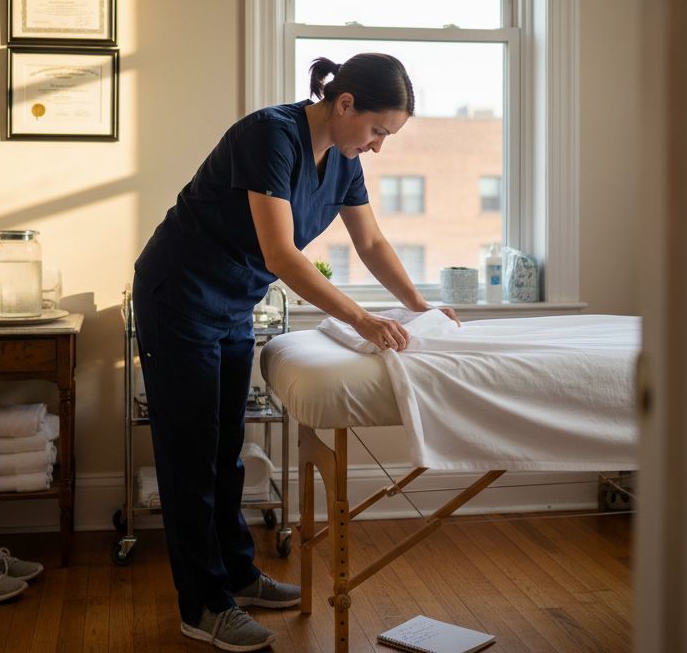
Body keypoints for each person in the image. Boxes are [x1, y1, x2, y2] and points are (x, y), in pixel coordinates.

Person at [131, 53, 459, 651]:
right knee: (190, 456)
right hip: (177, 295)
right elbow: (282, 254)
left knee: (226, 449)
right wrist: (361, 319)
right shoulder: (269, 135)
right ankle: (201, 605)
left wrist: (420, 305)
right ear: (345, 104)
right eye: (378, 130)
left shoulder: (343, 158)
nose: (380, 146)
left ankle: (236, 574)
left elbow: (372, 240)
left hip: (231, 302)